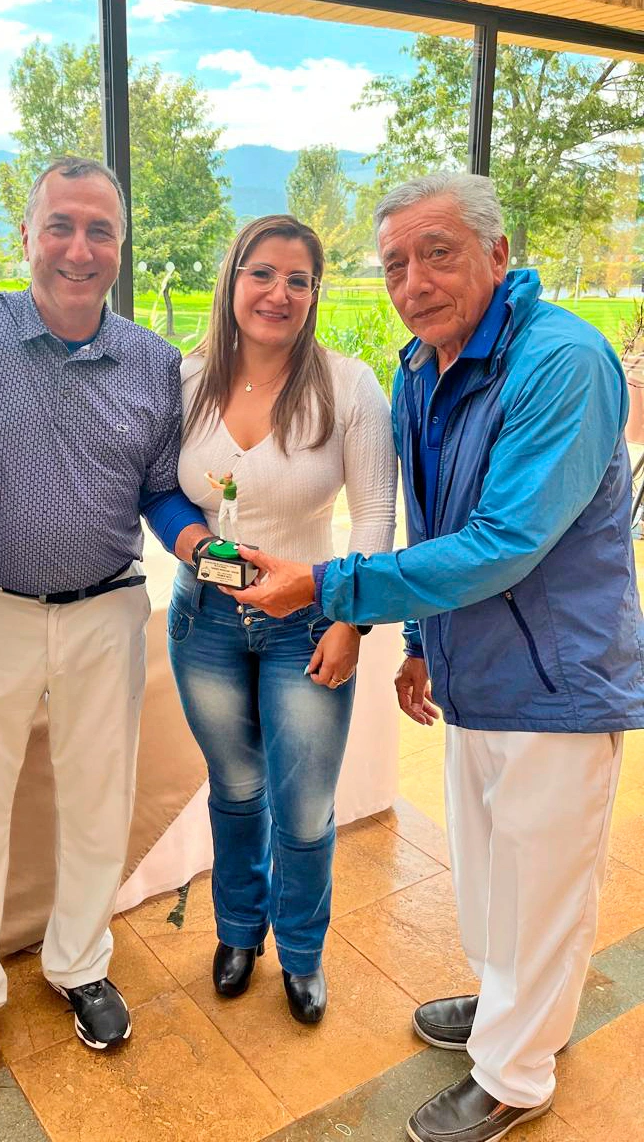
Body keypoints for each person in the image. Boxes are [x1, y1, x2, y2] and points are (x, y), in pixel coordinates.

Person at [226, 174, 644, 1142]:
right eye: (395, 265)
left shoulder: (562, 362)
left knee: (543, 887)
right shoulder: (424, 366)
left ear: (498, 254)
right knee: (493, 875)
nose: (414, 282)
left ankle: (516, 1073)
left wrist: (326, 587)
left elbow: (503, 541)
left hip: (557, 679)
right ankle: (508, 1006)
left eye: (438, 253)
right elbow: (434, 518)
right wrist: (418, 640)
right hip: (473, 670)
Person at [0, 156, 211, 1105]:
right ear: (26, 236)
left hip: (107, 608)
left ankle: (79, 962)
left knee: (99, 798)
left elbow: (161, 489)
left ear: (120, 248)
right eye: (61, 226)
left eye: (99, 231)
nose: (79, 249)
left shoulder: (153, 362)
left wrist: (198, 544)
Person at [169, 215, 396, 1023]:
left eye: (299, 280)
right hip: (205, 623)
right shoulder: (187, 380)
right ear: (233, 279)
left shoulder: (349, 386)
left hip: (308, 626)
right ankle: (238, 931)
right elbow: (160, 492)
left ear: (315, 294)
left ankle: (301, 951)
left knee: (302, 808)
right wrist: (197, 548)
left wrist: (350, 622)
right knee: (235, 791)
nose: (280, 293)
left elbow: (376, 514)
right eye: (262, 273)